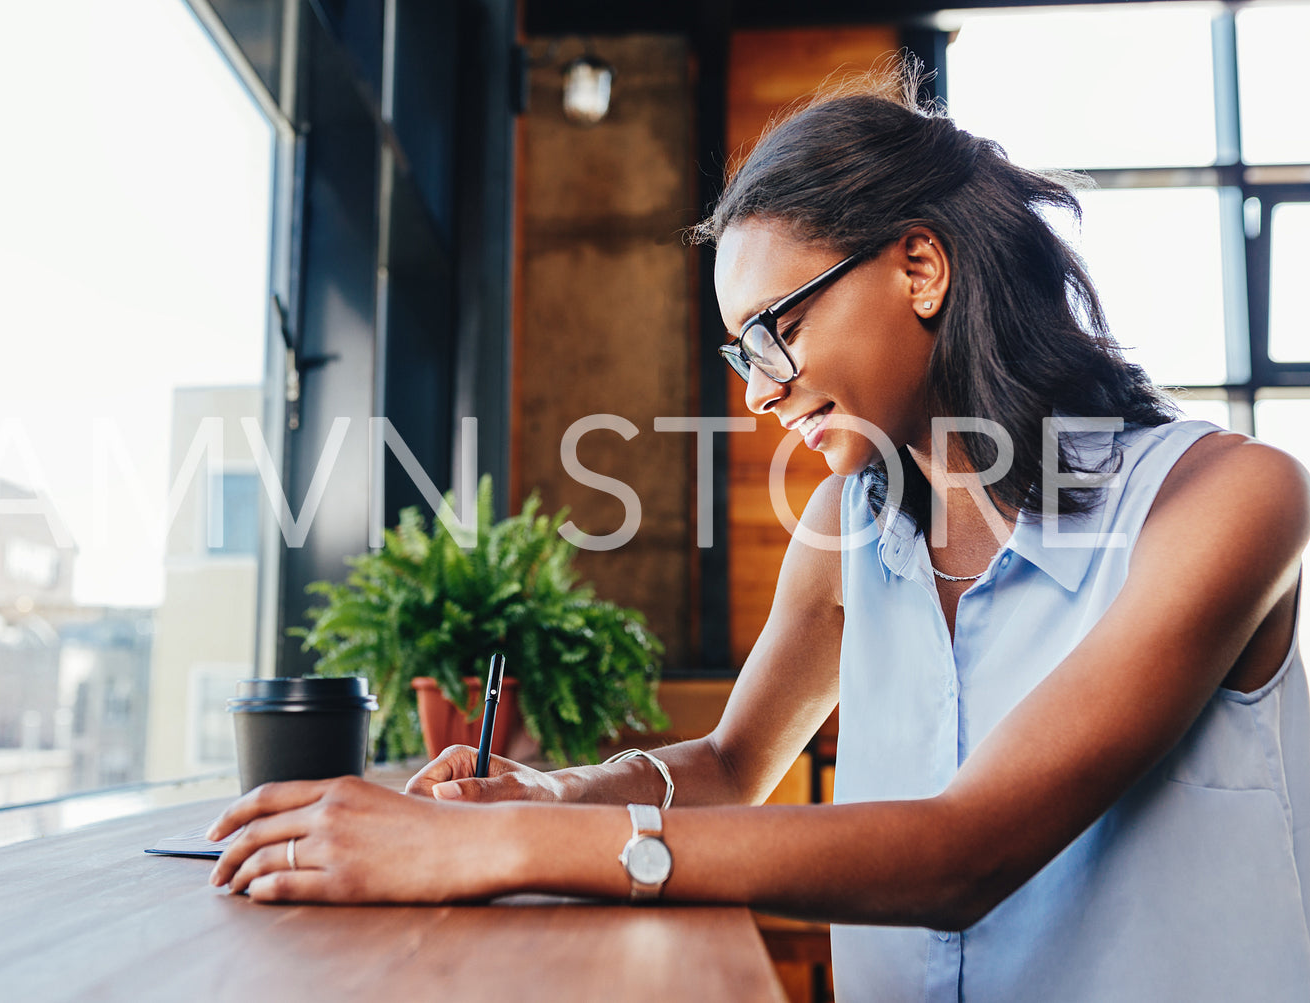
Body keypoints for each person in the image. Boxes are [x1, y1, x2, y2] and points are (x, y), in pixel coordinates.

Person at [204, 63, 1310, 1001]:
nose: (760, 390)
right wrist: (557, 793)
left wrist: (490, 844)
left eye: (776, 330)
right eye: (742, 354)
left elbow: (969, 848)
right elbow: (735, 765)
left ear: (917, 267)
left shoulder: (1227, 500)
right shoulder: (848, 521)